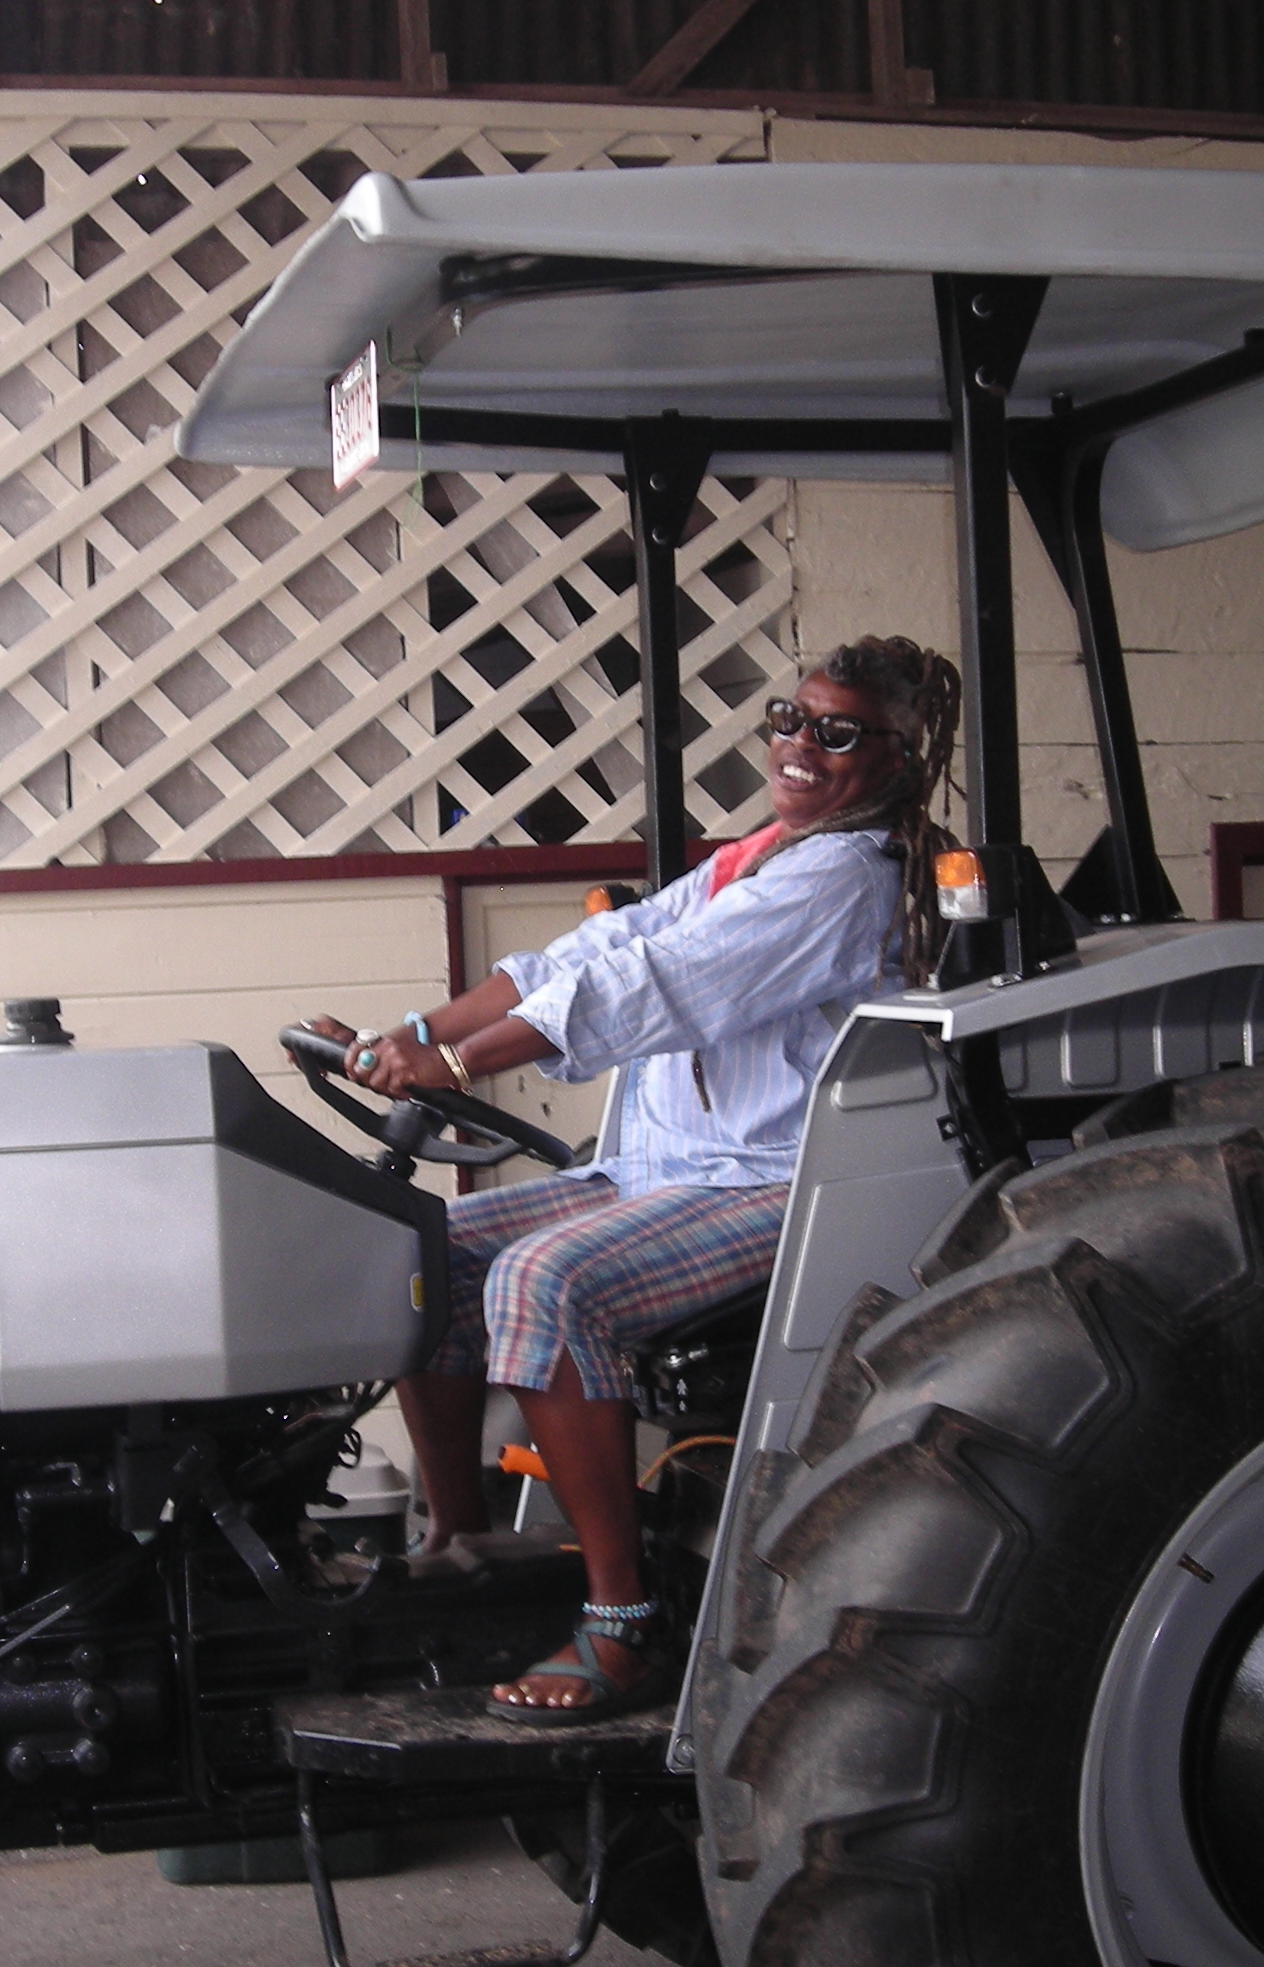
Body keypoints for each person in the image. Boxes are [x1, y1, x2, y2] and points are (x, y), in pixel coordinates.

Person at [301, 635, 962, 1723]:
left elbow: (659, 985)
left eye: (839, 733)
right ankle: (463, 1545)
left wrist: (456, 1064)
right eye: (791, 719)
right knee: (420, 1249)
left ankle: (623, 1622)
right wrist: (411, 1035)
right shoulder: (764, 855)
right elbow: (583, 960)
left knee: (545, 1282)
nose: (800, 745)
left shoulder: (848, 877)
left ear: (899, 757)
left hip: (774, 1182)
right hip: (666, 1169)